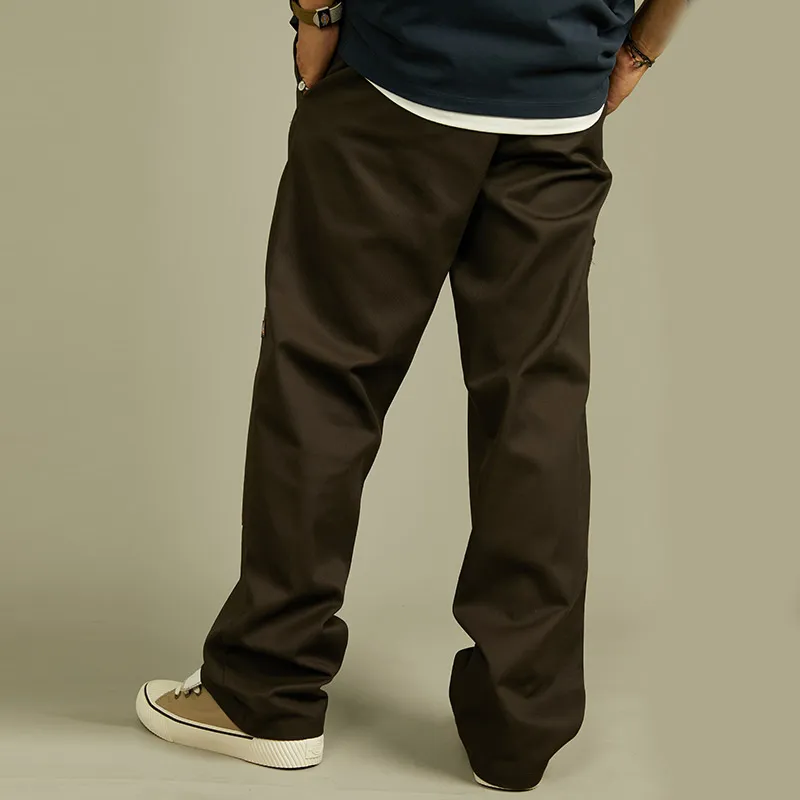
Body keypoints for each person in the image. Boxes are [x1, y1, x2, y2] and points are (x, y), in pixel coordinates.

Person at [135, 0, 688, 790]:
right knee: (536, 408)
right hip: (559, 90)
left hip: (402, 67)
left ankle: (265, 691)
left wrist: (317, 13)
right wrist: (638, 47)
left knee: (324, 377)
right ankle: (517, 730)